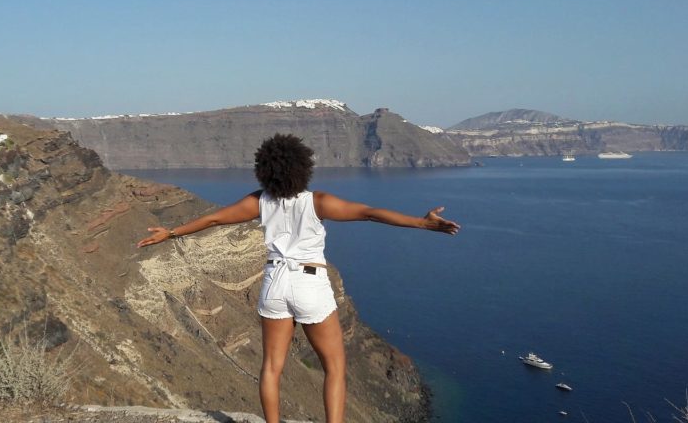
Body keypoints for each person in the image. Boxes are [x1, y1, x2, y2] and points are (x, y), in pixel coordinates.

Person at [137, 133, 460, 423]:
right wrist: (421, 223)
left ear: (265, 169)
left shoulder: (258, 201)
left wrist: (171, 232)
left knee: (272, 367)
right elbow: (369, 213)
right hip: (309, 281)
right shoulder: (317, 202)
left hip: (274, 282)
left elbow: (213, 219)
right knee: (334, 367)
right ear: (302, 167)